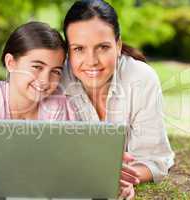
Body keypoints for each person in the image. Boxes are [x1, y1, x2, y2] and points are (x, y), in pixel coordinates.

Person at [61, 0, 175, 198]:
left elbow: (155, 159)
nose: (92, 61)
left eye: (103, 47)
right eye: (79, 49)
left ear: (118, 45)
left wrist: (122, 178)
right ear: (68, 52)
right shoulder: (56, 78)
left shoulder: (141, 78)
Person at [0, 21, 76, 185]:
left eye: (55, 71)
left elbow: (58, 155)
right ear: (11, 63)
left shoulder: (58, 104)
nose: (45, 80)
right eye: (37, 67)